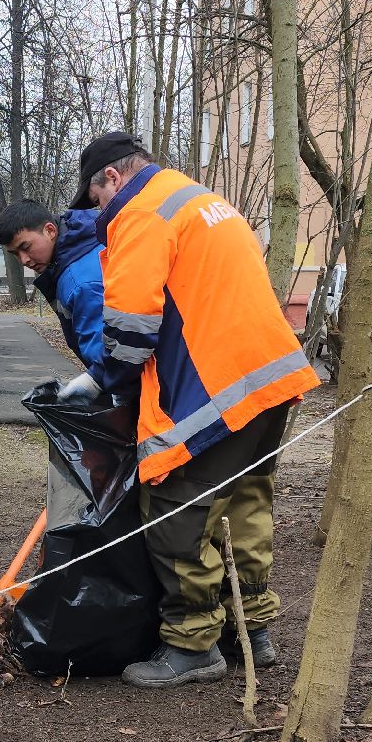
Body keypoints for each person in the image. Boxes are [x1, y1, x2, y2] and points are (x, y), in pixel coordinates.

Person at [72, 131, 321, 688]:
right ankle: (251, 627)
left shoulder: (140, 212)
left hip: (214, 388)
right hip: (270, 377)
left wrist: (103, 382)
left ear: (111, 178)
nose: (97, 214)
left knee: (171, 504)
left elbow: (132, 329)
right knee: (245, 500)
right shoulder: (201, 199)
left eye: (94, 201)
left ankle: (192, 645)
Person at [0, 199, 105, 394]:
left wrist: (97, 382)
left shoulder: (81, 282)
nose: (24, 260)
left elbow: (107, 356)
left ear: (50, 231)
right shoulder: (78, 250)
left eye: (26, 247)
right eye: (15, 254)